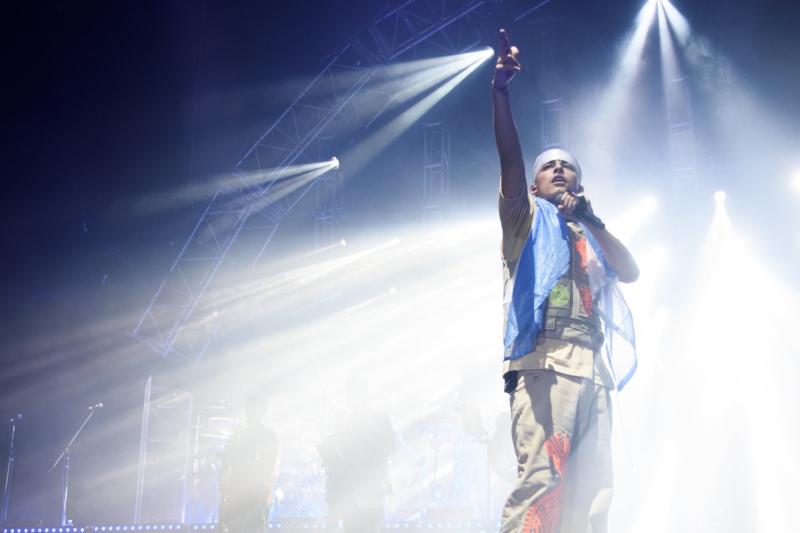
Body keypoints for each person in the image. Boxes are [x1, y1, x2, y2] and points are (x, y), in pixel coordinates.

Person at [492, 28, 640, 533]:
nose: (559, 171)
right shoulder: (525, 220)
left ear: (580, 183)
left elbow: (631, 272)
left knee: (594, 497)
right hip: (544, 364)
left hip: (592, 372)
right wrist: (501, 92)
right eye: (549, 167)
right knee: (542, 486)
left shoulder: (591, 234)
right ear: (535, 185)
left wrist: (595, 220)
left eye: (568, 168)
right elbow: (510, 160)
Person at [318, 376, 395, 532]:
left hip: (369, 488)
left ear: (364, 392)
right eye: (349, 391)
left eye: (354, 391)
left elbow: (384, 451)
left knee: (369, 527)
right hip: (349, 489)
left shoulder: (379, 418)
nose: (350, 396)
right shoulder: (347, 420)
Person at [219, 394, 281, 533]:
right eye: (248, 408)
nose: (249, 412)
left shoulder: (270, 436)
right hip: (235, 497)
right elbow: (229, 462)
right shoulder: (239, 435)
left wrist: (260, 493)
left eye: (254, 408)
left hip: (255, 499)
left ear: (263, 412)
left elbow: (271, 469)